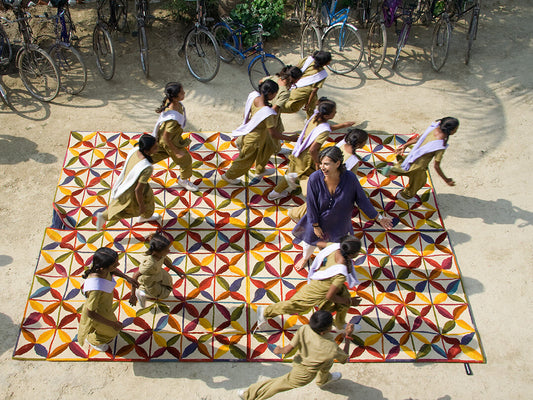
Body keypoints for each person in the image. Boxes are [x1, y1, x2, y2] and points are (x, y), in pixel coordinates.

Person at [292, 146, 393, 270]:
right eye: (322, 163)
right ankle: (305, 258)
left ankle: (329, 262)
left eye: (327, 164)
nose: (322, 167)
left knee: (336, 247)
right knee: (308, 244)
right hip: (318, 221)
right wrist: (315, 225)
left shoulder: (350, 178)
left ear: (338, 163)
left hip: (339, 223)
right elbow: (311, 204)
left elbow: (362, 200)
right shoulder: (315, 178)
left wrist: (379, 217)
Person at [238, 310, 355, 400]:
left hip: (304, 359)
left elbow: (288, 349)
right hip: (304, 373)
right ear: (325, 331)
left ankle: (323, 381)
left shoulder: (305, 329)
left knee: (327, 363)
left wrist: (280, 350)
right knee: (279, 383)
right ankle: (249, 394)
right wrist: (348, 336)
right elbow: (345, 358)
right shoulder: (331, 348)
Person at [256, 235, 363, 331]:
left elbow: (319, 243)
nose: (359, 253)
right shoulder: (340, 274)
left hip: (327, 281)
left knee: (343, 296)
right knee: (296, 305)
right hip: (318, 289)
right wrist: (349, 301)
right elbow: (330, 296)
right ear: (351, 254)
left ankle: (340, 324)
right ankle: (265, 312)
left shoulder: (335, 248)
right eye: (358, 252)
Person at [268, 98, 354, 200]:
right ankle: (276, 193)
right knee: (297, 173)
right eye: (334, 112)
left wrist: (343, 125)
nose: (336, 113)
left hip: (300, 148)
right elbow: (313, 149)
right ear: (327, 115)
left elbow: (324, 127)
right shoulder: (324, 131)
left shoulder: (315, 116)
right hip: (306, 157)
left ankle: (282, 189)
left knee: (295, 171)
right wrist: (318, 162)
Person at [221, 79, 299, 184]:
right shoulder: (267, 112)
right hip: (254, 139)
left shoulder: (255, 97)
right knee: (245, 161)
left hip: (256, 134)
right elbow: (274, 134)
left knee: (265, 151)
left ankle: (260, 170)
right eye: (275, 94)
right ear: (271, 94)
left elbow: (246, 115)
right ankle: (228, 176)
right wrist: (291, 138)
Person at [287, 127, 369, 222]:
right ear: (359, 144)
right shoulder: (353, 161)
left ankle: (297, 213)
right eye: (365, 142)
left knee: (315, 201)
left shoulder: (341, 144)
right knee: (317, 203)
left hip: (322, 175)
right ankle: (296, 214)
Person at [383, 117, 459, 203]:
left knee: (405, 167)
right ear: (451, 131)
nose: (456, 131)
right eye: (456, 129)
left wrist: (405, 145)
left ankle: (392, 169)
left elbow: (418, 138)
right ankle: (405, 195)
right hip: (419, 165)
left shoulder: (433, 128)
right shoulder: (440, 145)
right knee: (419, 181)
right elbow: (436, 166)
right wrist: (446, 180)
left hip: (413, 155)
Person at [94, 134, 160, 231]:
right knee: (129, 209)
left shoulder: (135, 150)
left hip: (126, 183)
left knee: (119, 205)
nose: (157, 148)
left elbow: (125, 164)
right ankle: (105, 216)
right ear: (146, 151)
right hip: (133, 191)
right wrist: (141, 206)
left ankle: (143, 216)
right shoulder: (147, 167)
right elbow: (138, 190)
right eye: (155, 147)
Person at [77, 247, 137, 352]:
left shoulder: (101, 268)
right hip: (98, 311)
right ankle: (93, 340)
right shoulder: (95, 288)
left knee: (108, 327)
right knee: (112, 332)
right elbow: (90, 313)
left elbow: (113, 271)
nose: (117, 265)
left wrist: (126, 277)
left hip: (104, 304)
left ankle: (96, 331)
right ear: (102, 268)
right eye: (114, 264)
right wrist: (112, 324)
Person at [151, 82, 198, 192]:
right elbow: (166, 137)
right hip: (170, 141)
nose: (184, 93)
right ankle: (183, 180)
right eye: (182, 92)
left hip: (168, 138)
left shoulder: (171, 102)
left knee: (153, 156)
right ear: (175, 97)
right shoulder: (172, 119)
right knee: (186, 160)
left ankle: (136, 166)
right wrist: (176, 151)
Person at [129, 233, 185, 308]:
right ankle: (140, 293)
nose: (169, 250)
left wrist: (177, 271)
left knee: (167, 284)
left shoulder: (160, 255)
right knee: (158, 293)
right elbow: (135, 275)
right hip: (150, 280)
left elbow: (164, 260)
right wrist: (132, 295)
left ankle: (143, 290)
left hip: (158, 273)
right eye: (166, 249)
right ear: (157, 251)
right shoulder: (150, 264)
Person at [260, 66, 303, 155]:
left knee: (278, 130)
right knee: (269, 135)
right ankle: (265, 152)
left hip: (264, 109)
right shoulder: (284, 92)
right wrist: (291, 138)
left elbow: (261, 81)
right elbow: (275, 109)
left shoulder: (273, 78)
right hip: (270, 116)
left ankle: (276, 148)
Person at [281, 50, 331, 119]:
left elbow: (295, 69)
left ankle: (312, 113)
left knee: (313, 99)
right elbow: (313, 91)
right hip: (302, 93)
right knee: (292, 108)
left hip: (294, 85)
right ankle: (310, 119)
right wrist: (308, 104)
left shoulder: (307, 60)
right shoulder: (322, 74)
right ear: (325, 63)